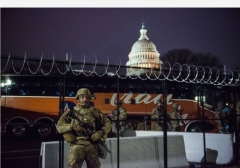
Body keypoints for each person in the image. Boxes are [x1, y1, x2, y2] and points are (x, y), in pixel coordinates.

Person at [56, 88, 112, 168]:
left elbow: (108, 123)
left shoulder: (95, 112)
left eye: (87, 97)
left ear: (89, 98)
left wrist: (101, 132)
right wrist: (70, 126)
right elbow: (59, 127)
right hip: (77, 144)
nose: (85, 99)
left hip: (92, 144)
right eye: (82, 97)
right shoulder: (71, 112)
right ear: (78, 98)